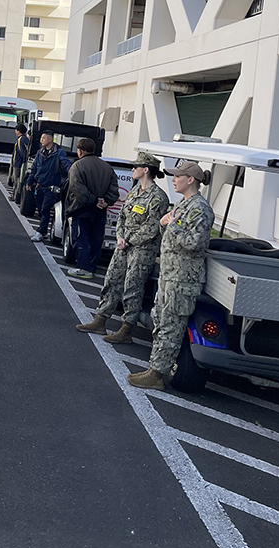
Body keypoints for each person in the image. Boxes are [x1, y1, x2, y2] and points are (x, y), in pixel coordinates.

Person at [128, 161, 214, 390]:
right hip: (170, 275)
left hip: (182, 280)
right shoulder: (183, 204)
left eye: (178, 176)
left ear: (191, 180)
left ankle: (158, 374)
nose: (173, 180)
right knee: (161, 321)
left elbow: (195, 243)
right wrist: (167, 224)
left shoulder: (200, 209)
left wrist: (171, 225)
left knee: (171, 326)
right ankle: (154, 368)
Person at [76, 152, 169, 342]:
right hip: (124, 245)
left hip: (142, 250)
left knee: (132, 287)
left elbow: (152, 227)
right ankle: (101, 320)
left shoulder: (158, 197)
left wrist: (129, 240)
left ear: (146, 170)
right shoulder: (135, 191)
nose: (133, 169)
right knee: (112, 280)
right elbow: (122, 216)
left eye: (136, 167)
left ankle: (126, 330)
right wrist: (120, 236)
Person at [65, 137, 119, 278]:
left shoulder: (77, 166)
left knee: (81, 238)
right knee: (96, 239)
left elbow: (77, 189)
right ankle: (92, 266)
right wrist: (105, 201)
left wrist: (94, 200)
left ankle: (84, 268)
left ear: (81, 151)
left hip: (82, 209)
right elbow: (114, 190)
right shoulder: (107, 167)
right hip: (100, 211)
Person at [26, 130, 72, 242]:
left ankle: (40, 232)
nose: (41, 140)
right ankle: (43, 230)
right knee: (41, 209)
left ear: (50, 139)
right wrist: (29, 181)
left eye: (43, 138)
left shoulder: (59, 152)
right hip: (39, 185)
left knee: (46, 208)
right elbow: (34, 168)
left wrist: (73, 174)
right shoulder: (40, 152)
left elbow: (67, 164)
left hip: (51, 187)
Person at [9, 123, 28, 197]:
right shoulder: (24, 139)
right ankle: (15, 194)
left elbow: (21, 152)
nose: (15, 132)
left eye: (16, 130)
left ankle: (15, 195)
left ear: (18, 131)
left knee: (16, 180)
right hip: (18, 162)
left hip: (18, 163)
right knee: (16, 180)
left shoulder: (21, 139)